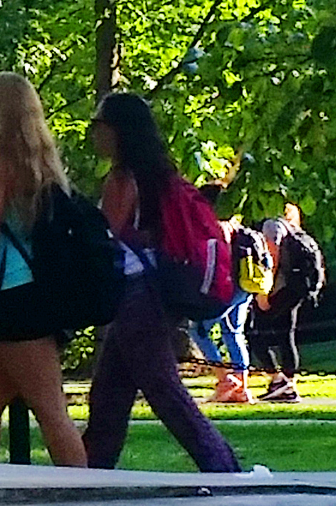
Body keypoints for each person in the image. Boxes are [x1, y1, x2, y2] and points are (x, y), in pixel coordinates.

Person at [79, 94, 245, 473]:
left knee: (164, 392)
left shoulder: (122, 180)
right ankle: (89, 470)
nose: (94, 133)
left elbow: (107, 238)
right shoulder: (158, 177)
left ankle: (223, 468)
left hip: (136, 297)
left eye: (99, 124)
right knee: (109, 396)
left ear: (117, 130)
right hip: (152, 293)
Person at [0, 73, 88, 467]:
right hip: (30, 295)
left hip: (17, 298)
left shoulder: (2, 167)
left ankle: (83, 496)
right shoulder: (40, 167)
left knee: (50, 411)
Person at [251, 204, 321, 401]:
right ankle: (287, 385)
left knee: (255, 333)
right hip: (296, 288)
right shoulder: (294, 229)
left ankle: (279, 380)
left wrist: (264, 292)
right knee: (286, 336)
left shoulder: (272, 225)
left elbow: (272, 255)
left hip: (280, 289)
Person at [198, 182, 260, 404]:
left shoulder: (218, 227)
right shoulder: (237, 226)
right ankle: (242, 388)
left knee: (198, 330)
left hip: (227, 287)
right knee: (233, 333)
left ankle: (225, 380)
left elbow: (219, 262)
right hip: (245, 285)